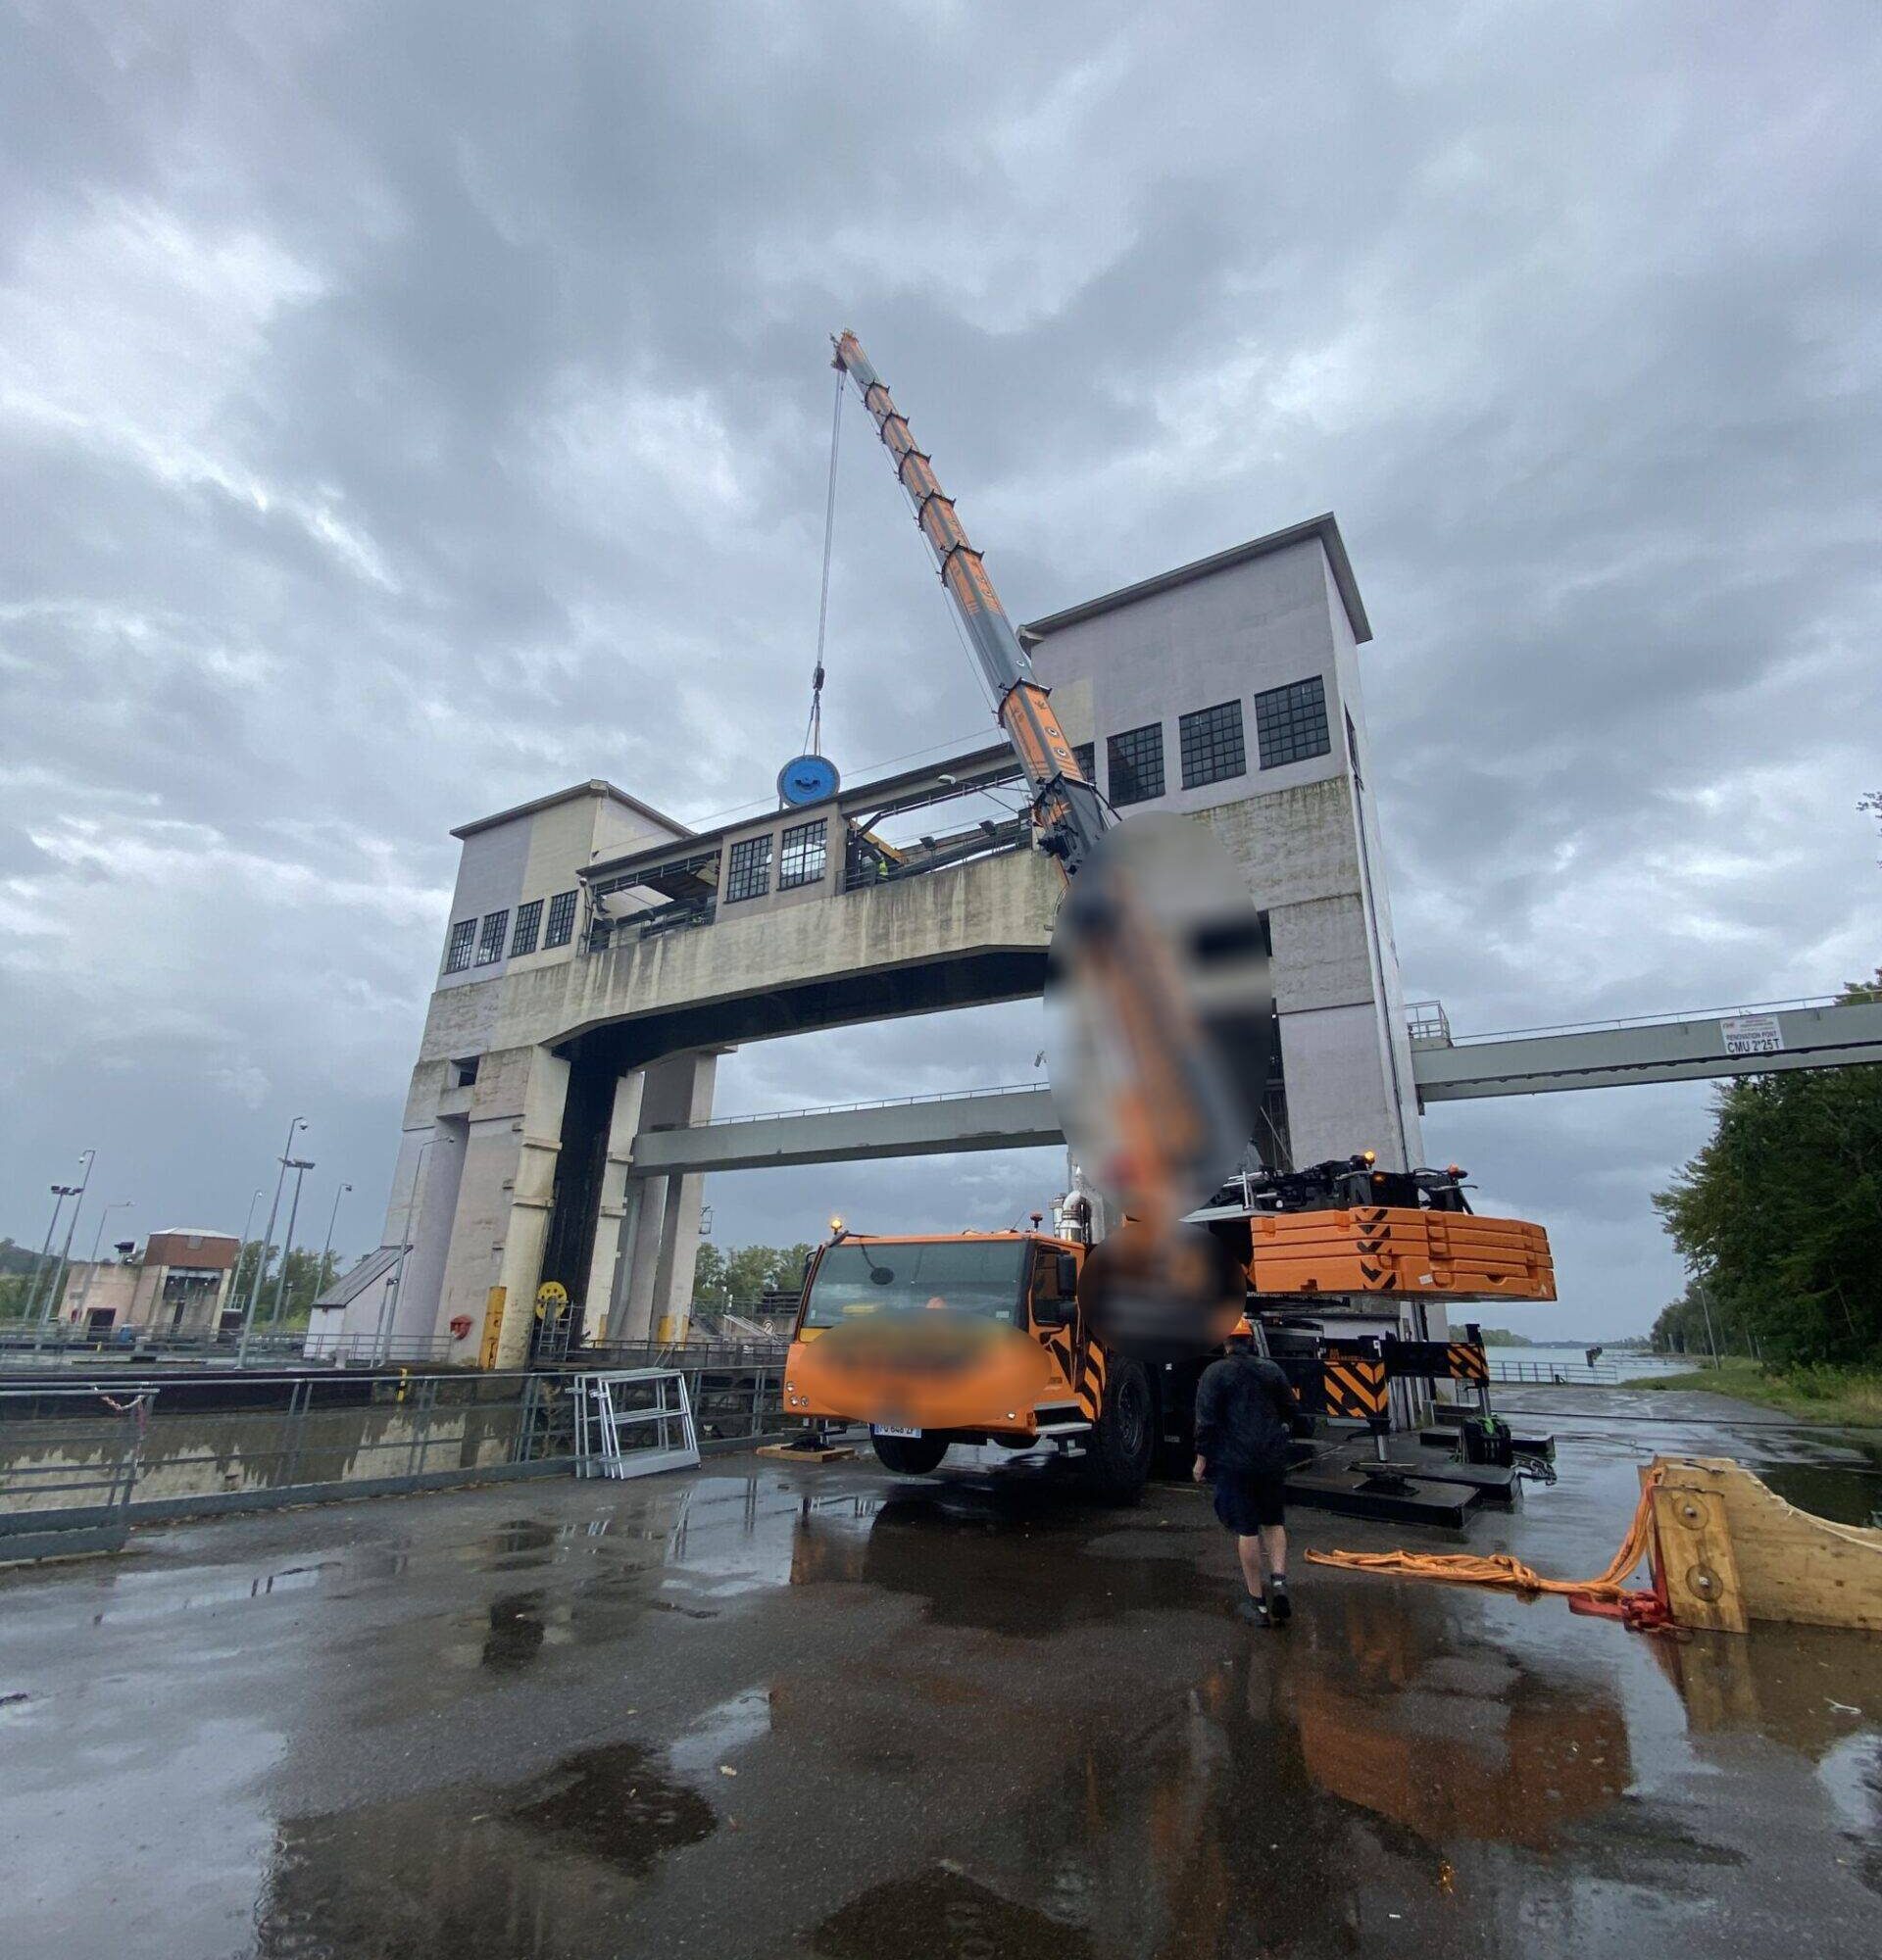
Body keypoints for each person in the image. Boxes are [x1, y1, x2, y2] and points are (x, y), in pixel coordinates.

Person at [1193, 1329, 1300, 1625]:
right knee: (1274, 1522)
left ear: (1225, 1342)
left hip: (1235, 1461)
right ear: (1250, 1341)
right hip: (1270, 1459)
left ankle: (1258, 1604)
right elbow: (1292, 1410)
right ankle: (1279, 1581)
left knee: (1246, 1529)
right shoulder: (1271, 1370)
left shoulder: (1215, 1374)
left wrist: (1201, 1460)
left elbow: (1206, 1421)